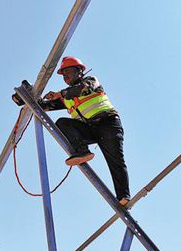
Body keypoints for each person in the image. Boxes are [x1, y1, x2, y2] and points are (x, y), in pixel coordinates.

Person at [13, 56, 130, 206]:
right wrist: (26, 98)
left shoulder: (90, 81)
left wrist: (60, 94)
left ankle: (123, 197)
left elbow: (82, 89)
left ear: (79, 71)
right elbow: (44, 107)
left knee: (116, 161)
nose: (65, 77)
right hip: (90, 129)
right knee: (62, 123)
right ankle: (82, 151)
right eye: (63, 74)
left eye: (68, 72)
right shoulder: (66, 97)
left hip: (108, 124)